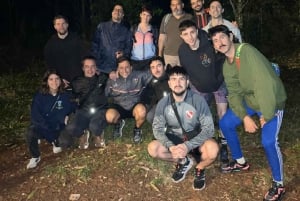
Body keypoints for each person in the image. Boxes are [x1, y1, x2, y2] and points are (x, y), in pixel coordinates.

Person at [208, 25, 287, 201]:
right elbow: (234, 93)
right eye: (215, 40)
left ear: (230, 36)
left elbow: (265, 84)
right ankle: (240, 162)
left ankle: (278, 184)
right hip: (252, 101)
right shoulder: (227, 66)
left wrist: (265, 115)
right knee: (226, 123)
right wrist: (244, 116)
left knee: (268, 142)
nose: (219, 42)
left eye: (222, 37)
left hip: (271, 102)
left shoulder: (246, 52)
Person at [148, 66, 218, 191]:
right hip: (175, 138)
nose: (177, 83)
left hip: (195, 138)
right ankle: (183, 161)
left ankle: (200, 168)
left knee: (213, 149)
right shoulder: (163, 103)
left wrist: (188, 146)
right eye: (174, 79)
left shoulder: (198, 101)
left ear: (187, 82)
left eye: (181, 79)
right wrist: (170, 146)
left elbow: (208, 129)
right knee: (153, 149)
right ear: (169, 83)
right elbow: (157, 129)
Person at [178, 19, 229, 167]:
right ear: (181, 36)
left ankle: (224, 144)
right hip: (199, 87)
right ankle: (198, 146)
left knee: (223, 115)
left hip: (218, 84)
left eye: (192, 32)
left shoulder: (209, 42)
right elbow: (186, 71)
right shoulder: (182, 50)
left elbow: (225, 51)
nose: (190, 37)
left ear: (197, 30)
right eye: (186, 34)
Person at [25, 69, 74, 169]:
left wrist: (69, 115)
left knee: (66, 143)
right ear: (46, 81)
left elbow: (73, 107)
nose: (54, 82)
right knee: (30, 132)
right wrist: (50, 134)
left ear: (61, 81)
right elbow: (36, 117)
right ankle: (35, 156)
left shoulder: (65, 95)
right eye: (51, 79)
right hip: (44, 126)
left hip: (58, 126)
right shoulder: (40, 96)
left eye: (57, 79)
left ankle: (56, 141)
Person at [59, 56, 108, 150]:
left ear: (96, 67)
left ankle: (97, 134)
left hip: (99, 109)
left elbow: (115, 77)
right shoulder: (76, 82)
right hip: (83, 111)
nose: (90, 69)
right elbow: (69, 96)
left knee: (95, 126)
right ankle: (83, 133)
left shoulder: (103, 78)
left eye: (93, 66)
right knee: (72, 128)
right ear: (83, 68)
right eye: (87, 66)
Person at [105, 56, 152, 143]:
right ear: (117, 69)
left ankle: (137, 129)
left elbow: (153, 72)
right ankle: (118, 123)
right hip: (119, 107)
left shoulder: (140, 75)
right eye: (121, 68)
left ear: (131, 67)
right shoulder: (112, 79)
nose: (125, 70)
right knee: (109, 116)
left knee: (142, 111)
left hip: (135, 106)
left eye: (127, 67)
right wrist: (109, 75)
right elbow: (105, 93)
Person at [44, 15, 85, 88]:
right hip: (60, 80)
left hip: (77, 79)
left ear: (67, 25)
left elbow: (84, 58)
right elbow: (49, 64)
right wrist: (59, 79)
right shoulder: (50, 44)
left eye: (63, 23)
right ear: (55, 27)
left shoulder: (77, 40)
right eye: (58, 24)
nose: (61, 26)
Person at [91, 4, 132, 75]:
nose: (118, 11)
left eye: (120, 10)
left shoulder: (126, 31)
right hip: (101, 68)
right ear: (112, 13)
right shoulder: (102, 27)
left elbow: (129, 48)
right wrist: (96, 62)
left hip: (118, 69)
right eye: (116, 9)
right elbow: (94, 45)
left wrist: (123, 53)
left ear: (123, 15)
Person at [158, 0, 192, 66]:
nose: (175, 7)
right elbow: (162, 38)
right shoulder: (166, 18)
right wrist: (159, 54)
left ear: (182, 5)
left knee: (186, 75)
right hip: (169, 56)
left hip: (186, 54)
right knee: (171, 76)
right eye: (173, 5)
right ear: (171, 7)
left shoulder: (189, 17)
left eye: (178, 4)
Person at [141, 56, 170, 123]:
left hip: (175, 104)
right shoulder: (152, 82)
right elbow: (147, 99)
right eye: (153, 67)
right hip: (161, 105)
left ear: (164, 67)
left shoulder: (172, 78)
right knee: (150, 116)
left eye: (159, 66)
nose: (156, 70)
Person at [131, 5, 159, 71]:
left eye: (148, 15)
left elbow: (157, 44)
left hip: (150, 60)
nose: (145, 17)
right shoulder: (133, 29)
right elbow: (129, 44)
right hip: (135, 61)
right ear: (140, 15)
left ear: (151, 17)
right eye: (144, 14)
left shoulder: (154, 30)